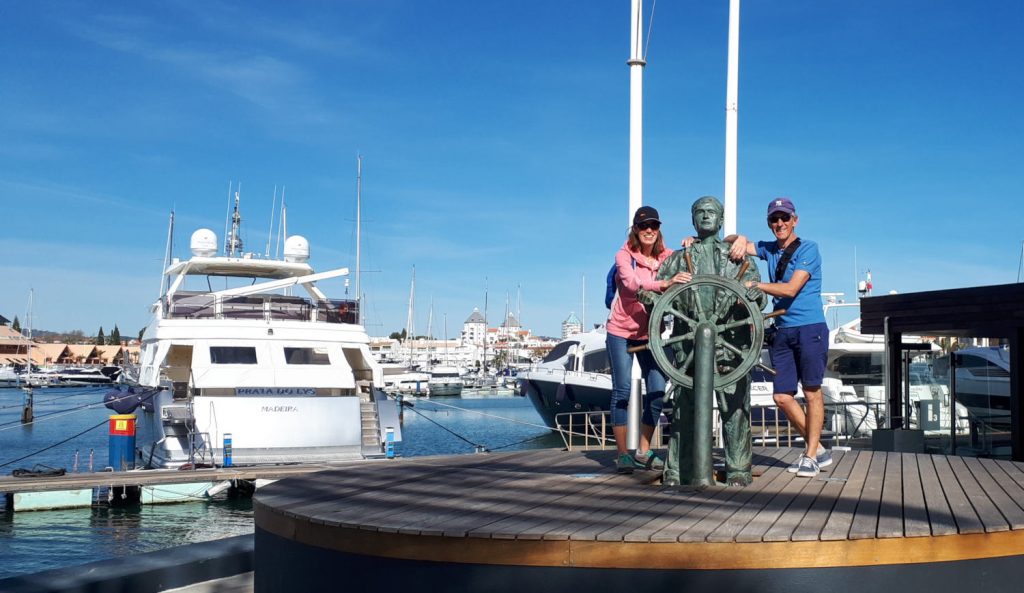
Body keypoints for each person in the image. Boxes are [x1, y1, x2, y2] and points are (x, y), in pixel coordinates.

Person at [647, 196, 764, 487]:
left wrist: (753, 295)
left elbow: (759, 296)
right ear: (692, 221)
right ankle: (677, 469)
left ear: (721, 220)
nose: (706, 216)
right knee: (684, 408)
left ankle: (737, 468)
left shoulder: (738, 257)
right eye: (699, 212)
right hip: (688, 348)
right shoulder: (676, 259)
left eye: (712, 212)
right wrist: (654, 295)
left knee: (735, 408)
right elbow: (659, 297)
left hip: (731, 344)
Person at [726, 197, 831, 478]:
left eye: (785, 218)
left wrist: (755, 284)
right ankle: (818, 449)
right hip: (783, 331)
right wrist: (741, 238)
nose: (780, 223)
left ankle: (809, 455)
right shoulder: (768, 248)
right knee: (782, 396)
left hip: (810, 329)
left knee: (811, 392)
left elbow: (790, 289)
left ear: (795, 220)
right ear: (769, 223)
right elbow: (729, 241)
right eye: (775, 219)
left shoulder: (809, 248)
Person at [607, 205, 689, 474]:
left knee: (656, 390)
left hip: (649, 333)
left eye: (654, 226)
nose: (649, 230)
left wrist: (691, 244)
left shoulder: (666, 256)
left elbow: (684, 262)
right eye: (644, 226)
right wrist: (664, 284)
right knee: (622, 392)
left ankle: (642, 449)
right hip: (620, 331)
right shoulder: (624, 255)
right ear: (636, 229)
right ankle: (622, 455)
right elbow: (630, 285)